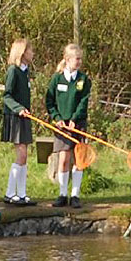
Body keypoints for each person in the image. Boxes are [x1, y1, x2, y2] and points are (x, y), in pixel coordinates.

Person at [45, 43, 92, 209]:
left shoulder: (83, 80)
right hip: (61, 126)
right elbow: (49, 101)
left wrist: (74, 118)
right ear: (67, 60)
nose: (79, 62)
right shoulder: (56, 79)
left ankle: (75, 195)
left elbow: (83, 101)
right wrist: (57, 118)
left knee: (79, 159)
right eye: (76, 59)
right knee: (63, 158)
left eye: (80, 59)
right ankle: (63, 193)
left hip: (77, 124)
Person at [1, 38, 37, 206]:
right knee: (21, 154)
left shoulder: (25, 71)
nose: (32, 53)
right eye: (30, 51)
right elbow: (6, 95)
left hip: (25, 117)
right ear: (22, 53)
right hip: (15, 117)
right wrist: (19, 108)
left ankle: (21, 194)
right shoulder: (13, 71)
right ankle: (10, 193)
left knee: (25, 156)